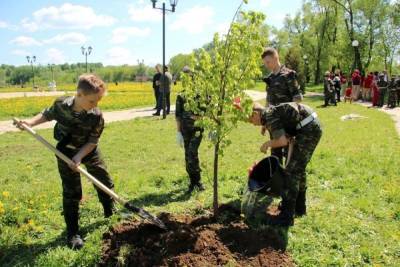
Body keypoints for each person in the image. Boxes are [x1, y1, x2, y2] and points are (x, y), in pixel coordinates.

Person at [15, 74, 115, 250]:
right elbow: (47, 114)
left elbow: (92, 142)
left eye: (99, 100)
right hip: (65, 151)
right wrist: (30, 122)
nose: (96, 104)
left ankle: (110, 213)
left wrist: (79, 157)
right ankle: (73, 233)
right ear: (79, 94)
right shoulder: (61, 104)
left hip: (87, 150)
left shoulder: (96, 116)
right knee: (71, 190)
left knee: (103, 180)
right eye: (93, 101)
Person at [248, 102, 322, 226]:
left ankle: (286, 218)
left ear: (256, 114)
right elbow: (287, 140)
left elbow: (281, 141)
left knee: (292, 173)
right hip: (308, 126)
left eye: (250, 120)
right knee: (297, 168)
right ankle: (299, 208)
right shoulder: (269, 114)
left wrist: (267, 144)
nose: (252, 123)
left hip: (309, 130)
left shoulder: (269, 116)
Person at [261, 47, 303, 164]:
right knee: (275, 156)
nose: (267, 65)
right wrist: (264, 122)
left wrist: (288, 112)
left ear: (276, 58)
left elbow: (298, 98)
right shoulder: (269, 79)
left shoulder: (288, 75)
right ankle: (277, 180)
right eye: (265, 63)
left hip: (287, 123)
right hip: (274, 124)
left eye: (268, 62)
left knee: (290, 157)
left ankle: (288, 180)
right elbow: (268, 101)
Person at [175, 66, 205, 194]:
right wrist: (178, 132)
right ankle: (192, 182)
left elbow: (206, 113)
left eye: (189, 77)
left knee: (192, 152)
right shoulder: (181, 95)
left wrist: (196, 117)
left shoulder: (200, 95)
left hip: (197, 129)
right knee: (188, 155)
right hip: (184, 130)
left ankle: (198, 181)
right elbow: (178, 115)